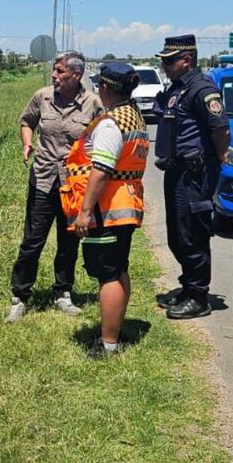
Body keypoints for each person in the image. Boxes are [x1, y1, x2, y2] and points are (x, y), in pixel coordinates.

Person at [7, 51, 103, 322]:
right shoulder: (43, 96)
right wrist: (27, 143)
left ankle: (62, 292)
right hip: (43, 178)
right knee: (32, 241)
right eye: (54, 70)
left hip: (74, 183)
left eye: (60, 71)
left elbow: (104, 135)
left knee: (68, 241)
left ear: (76, 74)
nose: (54, 75)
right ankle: (20, 296)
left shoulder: (92, 103)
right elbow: (27, 121)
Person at [60, 62, 148, 357]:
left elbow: (100, 171)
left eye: (99, 85)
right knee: (118, 268)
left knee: (107, 274)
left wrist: (84, 212)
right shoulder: (132, 115)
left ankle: (108, 344)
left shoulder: (111, 124)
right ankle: (115, 330)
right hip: (124, 204)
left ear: (107, 88)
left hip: (107, 209)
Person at [153, 35, 231, 320]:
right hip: (176, 171)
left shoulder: (202, 89)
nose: (165, 65)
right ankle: (188, 287)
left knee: (193, 235)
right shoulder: (178, 88)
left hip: (195, 173)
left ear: (186, 60)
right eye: (163, 60)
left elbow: (221, 130)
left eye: (169, 60)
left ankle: (198, 297)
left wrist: (218, 163)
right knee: (177, 234)